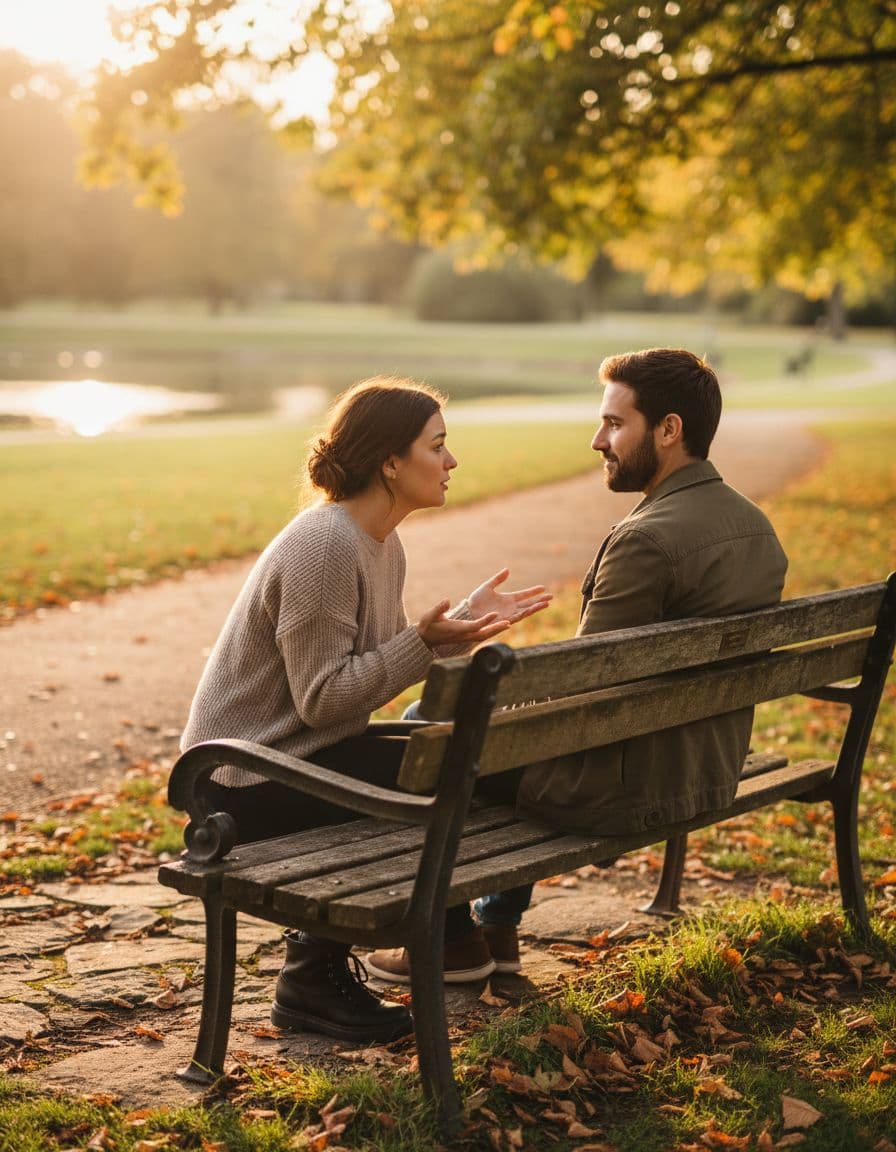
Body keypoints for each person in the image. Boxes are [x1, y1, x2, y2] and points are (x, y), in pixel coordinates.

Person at [367, 347, 788, 982]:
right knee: (482, 729)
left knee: (428, 723)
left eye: (616, 424)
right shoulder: (756, 527)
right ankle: (496, 928)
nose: (599, 440)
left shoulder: (645, 540)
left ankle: (452, 942)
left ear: (669, 430)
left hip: (630, 786)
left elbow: (581, 698)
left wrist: (491, 704)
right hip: (710, 765)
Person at [179, 376, 551, 1044]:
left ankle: (362, 960)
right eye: (438, 446)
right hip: (241, 780)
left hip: (301, 758)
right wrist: (425, 643)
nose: (451, 462)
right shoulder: (324, 545)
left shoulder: (382, 544)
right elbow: (325, 700)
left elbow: (368, 678)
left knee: (470, 764)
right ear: (389, 461)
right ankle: (314, 979)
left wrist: (448, 636)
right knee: (447, 772)